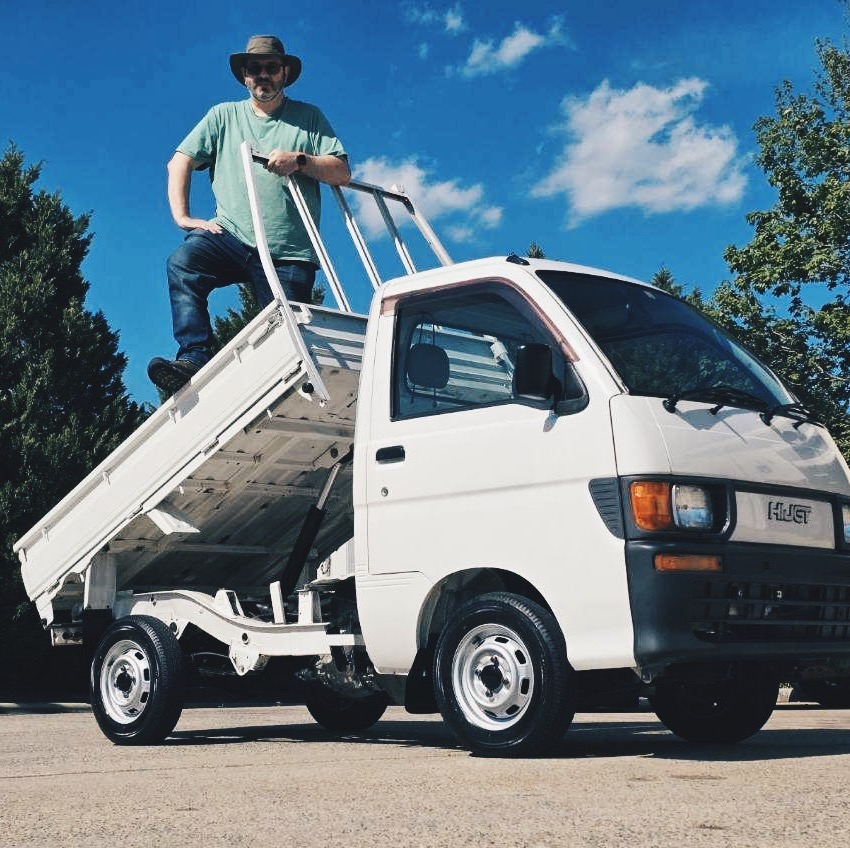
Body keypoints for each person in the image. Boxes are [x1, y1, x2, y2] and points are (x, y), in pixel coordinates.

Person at [147, 35, 350, 396]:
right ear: (244, 76)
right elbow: (179, 161)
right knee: (183, 263)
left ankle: (292, 395)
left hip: (289, 250)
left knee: (289, 341)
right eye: (254, 69)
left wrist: (299, 160)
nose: (263, 76)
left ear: (285, 73)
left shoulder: (309, 117)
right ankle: (193, 356)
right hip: (231, 235)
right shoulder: (223, 115)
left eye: (271, 68)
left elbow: (341, 171)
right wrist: (183, 217)